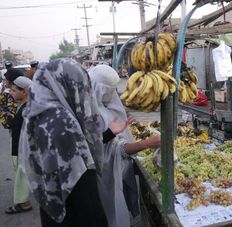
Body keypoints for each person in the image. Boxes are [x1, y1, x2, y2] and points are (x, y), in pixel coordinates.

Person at [19, 58, 130, 227]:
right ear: (68, 85)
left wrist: (108, 134)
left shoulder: (38, 113)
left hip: (54, 207)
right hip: (75, 213)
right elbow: (81, 186)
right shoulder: (62, 122)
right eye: (81, 85)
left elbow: (72, 151)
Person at [88, 64, 160, 227]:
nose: (112, 94)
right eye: (108, 90)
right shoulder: (94, 115)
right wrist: (147, 143)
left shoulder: (105, 105)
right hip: (104, 174)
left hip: (114, 171)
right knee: (110, 210)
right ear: (99, 89)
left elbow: (117, 132)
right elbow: (115, 149)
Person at [4, 76, 33, 214]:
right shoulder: (24, 106)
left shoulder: (28, 109)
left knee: (21, 176)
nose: (11, 93)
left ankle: (24, 204)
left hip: (21, 150)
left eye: (14, 90)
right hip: (19, 148)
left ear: (25, 92)